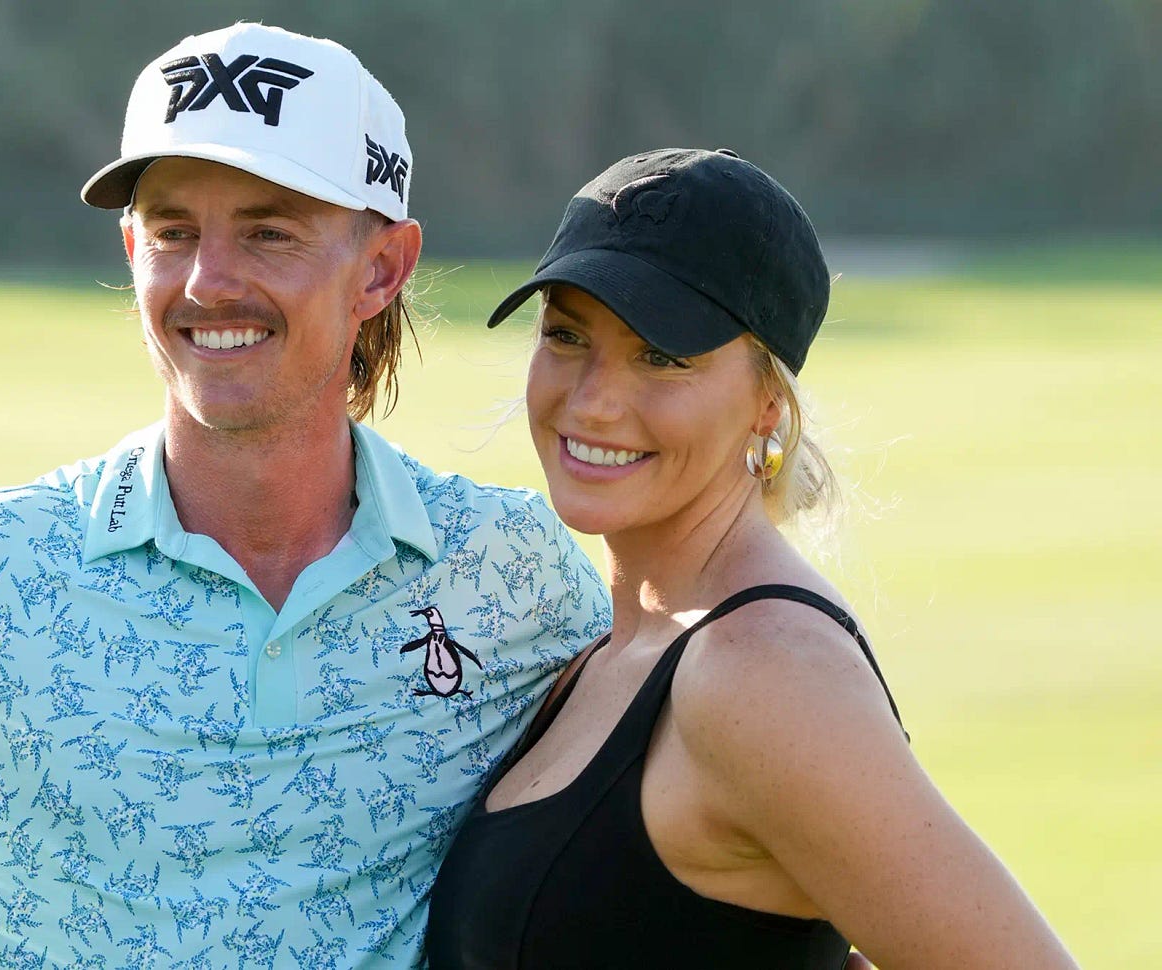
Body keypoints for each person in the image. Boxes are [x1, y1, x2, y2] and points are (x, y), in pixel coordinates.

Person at [0, 23, 612, 968]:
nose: (207, 281)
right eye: (174, 231)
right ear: (133, 244)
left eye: (269, 232)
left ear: (382, 269)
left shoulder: (510, 579)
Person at [425, 149, 1079, 968]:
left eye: (661, 356)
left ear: (769, 400)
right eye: (565, 334)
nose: (592, 398)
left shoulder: (765, 672)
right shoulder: (614, 650)